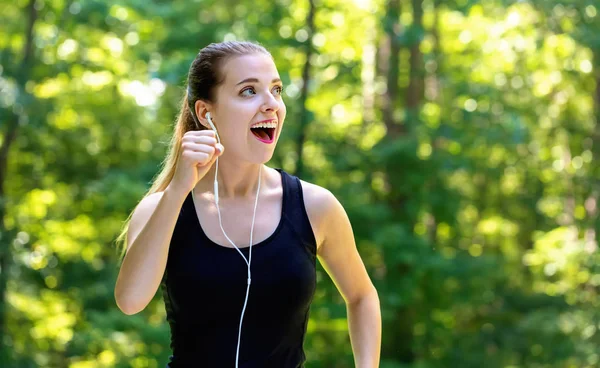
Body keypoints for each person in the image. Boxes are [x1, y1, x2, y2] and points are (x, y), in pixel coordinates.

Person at [114, 41, 381, 368]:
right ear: (205, 113)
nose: (271, 104)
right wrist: (179, 189)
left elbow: (362, 296)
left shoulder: (315, 207)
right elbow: (130, 301)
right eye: (248, 92)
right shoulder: (162, 208)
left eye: (277, 89)